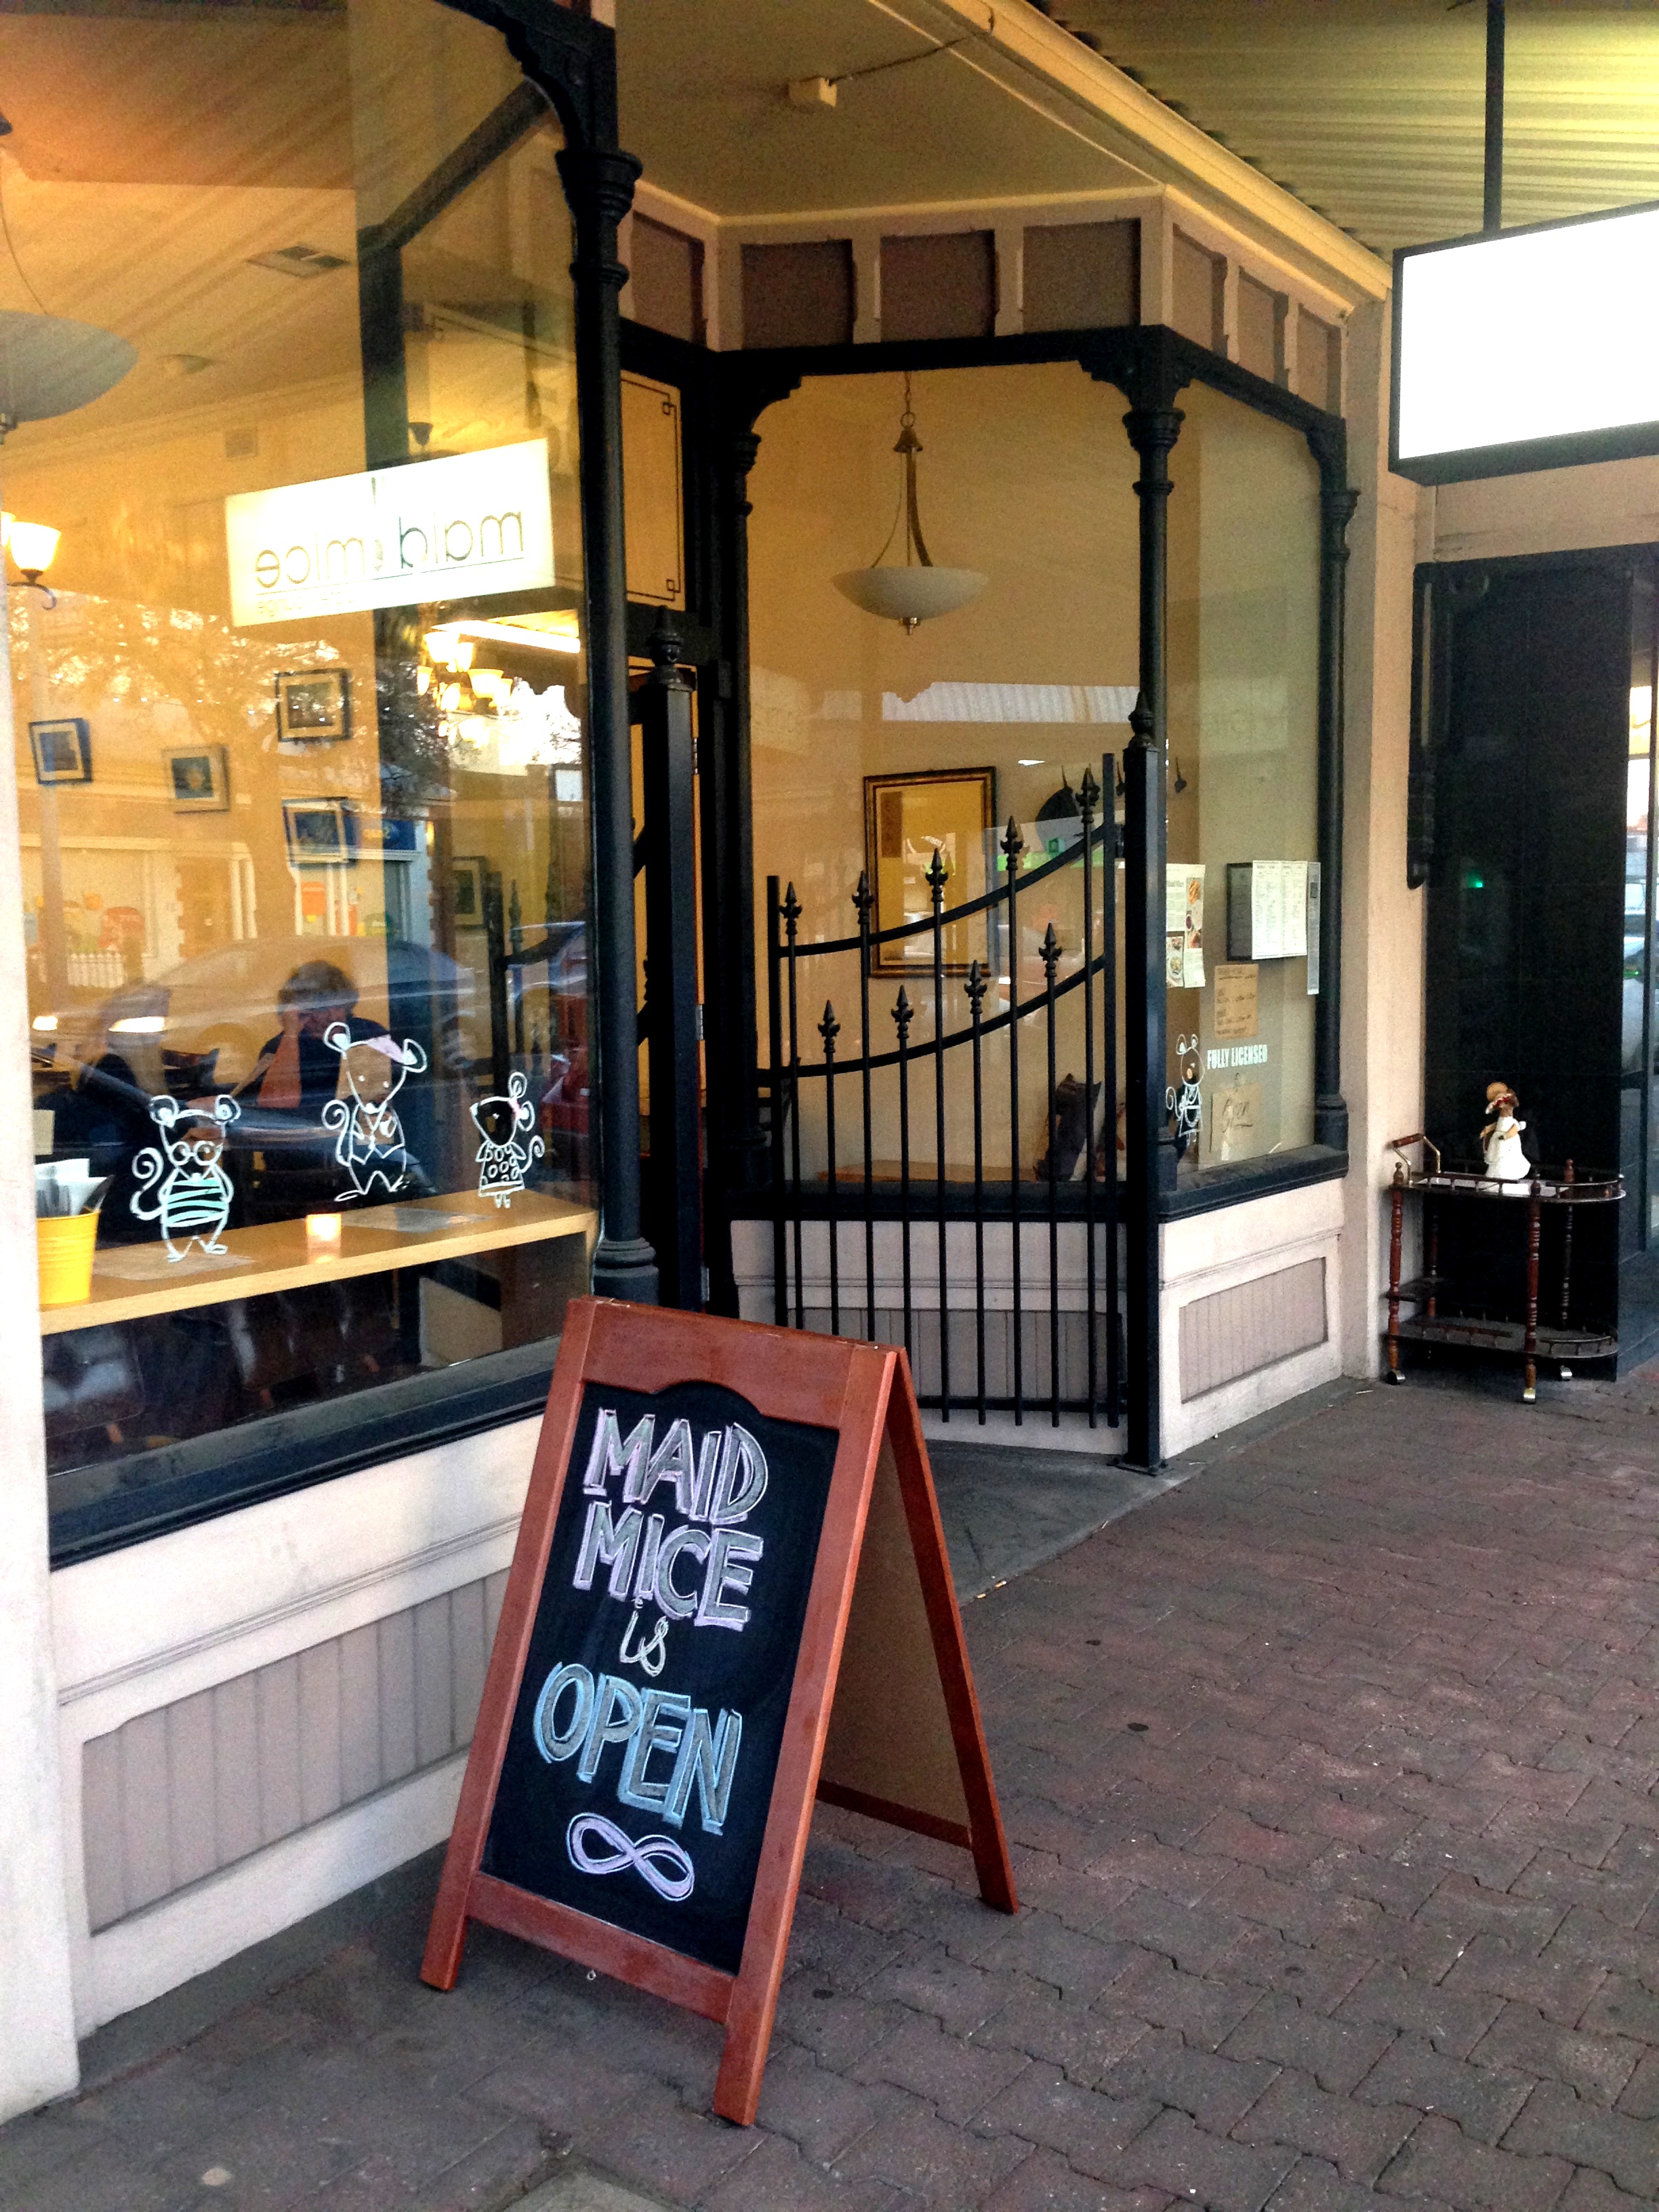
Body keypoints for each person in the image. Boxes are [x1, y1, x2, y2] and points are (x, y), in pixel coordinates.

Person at [239, 962, 387, 1111]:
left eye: (338, 1006)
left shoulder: (368, 1033)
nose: (332, 1017)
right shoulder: (280, 1047)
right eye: (322, 1009)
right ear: (301, 1011)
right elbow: (277, 1106)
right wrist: (291, 1035)